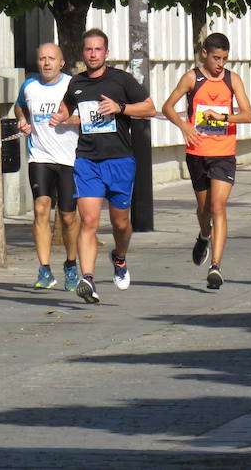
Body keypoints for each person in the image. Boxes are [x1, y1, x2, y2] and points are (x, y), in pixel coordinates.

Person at [50, 28, 156, 304]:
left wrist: (120, 108)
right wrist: (59, 116)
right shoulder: (76, 83)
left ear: (106, 53)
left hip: (120, 161)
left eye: (98, 49)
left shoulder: (122, 80)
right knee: (88, 221)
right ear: (83, 52)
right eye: (88, 49)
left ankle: (119, 258)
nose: (93, 54)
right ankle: (88, 279)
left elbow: (149, 108)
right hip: (87, 160)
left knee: (121, 223)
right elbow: (66, 108)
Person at [160, 33, 251, 289]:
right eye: (216, 58)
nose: (220, 64)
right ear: (205, 54)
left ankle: (215, 266)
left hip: (223, 153)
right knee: (204, 210)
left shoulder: (232, 79)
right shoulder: (193, 78)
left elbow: (248, 116)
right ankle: (204, 235)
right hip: (197, 152)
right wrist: (183, 126)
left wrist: (223, 118)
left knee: (218, 207)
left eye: (224, 59)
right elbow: (167, 106)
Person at [14, 43, 80, 292]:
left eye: (52, 58)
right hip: (39, 156)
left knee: (67, 216)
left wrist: (69, 119)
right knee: (41, 208)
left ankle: (71, 265)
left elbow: (87, 114)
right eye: (42, 58)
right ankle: (44, 270)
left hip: (69, 159)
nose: (46, 63)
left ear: (61, 63)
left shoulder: (72, 86)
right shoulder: (29, 86)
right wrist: (22, 119)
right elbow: (19, 104)